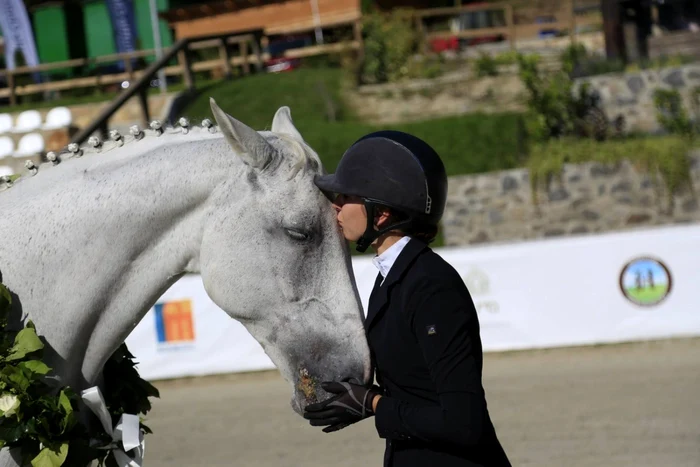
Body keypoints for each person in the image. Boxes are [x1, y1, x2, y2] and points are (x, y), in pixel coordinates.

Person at [304, 130, 511, 467]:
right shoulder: (393, 276)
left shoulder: (431, 286)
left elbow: (464, 423)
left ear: (382, 213)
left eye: (346, 196)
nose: (335, 205)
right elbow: (413, 387)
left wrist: (373, 404)